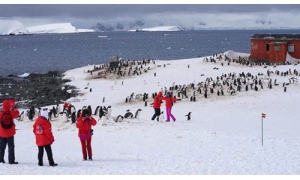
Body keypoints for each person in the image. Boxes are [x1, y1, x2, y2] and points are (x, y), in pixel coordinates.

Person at [0, 99, 20, 164]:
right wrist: (14, 108)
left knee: (1, 148)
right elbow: (17, 113)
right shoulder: (11, 113)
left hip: (2, 133)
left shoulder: (1, 114)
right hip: (10, 133)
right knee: (11, 147)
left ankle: (1, 159)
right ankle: (11, 160)